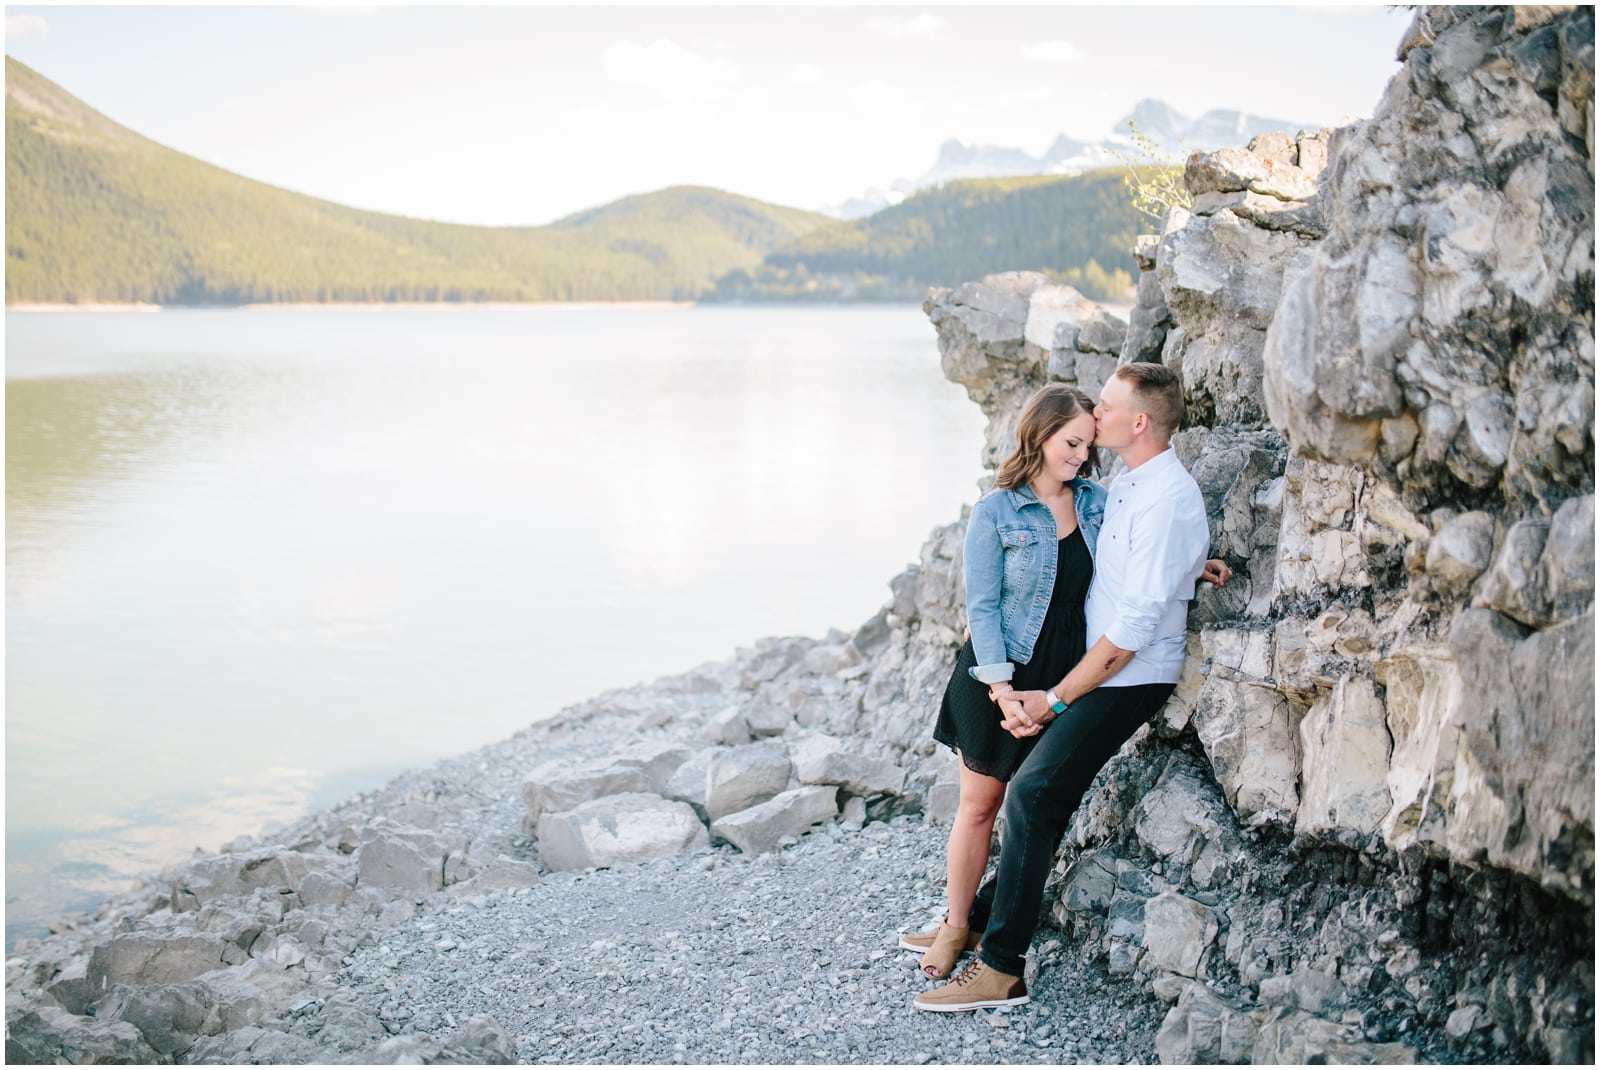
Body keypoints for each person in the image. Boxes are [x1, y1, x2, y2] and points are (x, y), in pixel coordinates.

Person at [911, 362, 1220, 1012]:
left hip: (1106, 673)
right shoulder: (1124, 486)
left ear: (1136, 421)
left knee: (1031, 796)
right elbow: (1128, 575)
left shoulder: (1142, 497)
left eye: (1103, 410)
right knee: (1014, 802)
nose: (1093, 422)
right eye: (1076, 431)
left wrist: (1054, 697)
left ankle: (1001, 966)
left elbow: (1139, 610)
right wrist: (1190, 567)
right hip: (1048, 670)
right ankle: (969, 926)